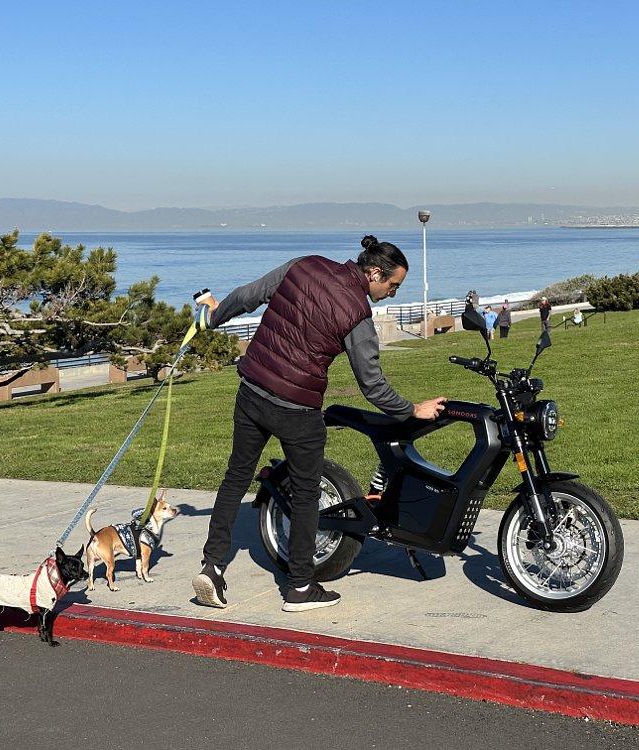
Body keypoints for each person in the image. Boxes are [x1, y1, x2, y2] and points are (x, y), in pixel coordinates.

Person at [191, 235, 447, 613]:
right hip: (297, 409)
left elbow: (248, 296)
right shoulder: (358, 316)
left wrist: (212, 317)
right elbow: (373, 386)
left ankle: (212, 567)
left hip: (252, 391)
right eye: (392, 285)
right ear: (374, 272)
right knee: (306, 493)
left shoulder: (305, 264)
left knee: (235, 476)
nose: (392, 293)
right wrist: (412, 410)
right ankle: (299, 588)